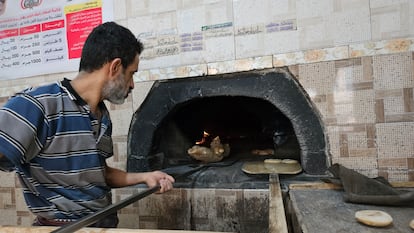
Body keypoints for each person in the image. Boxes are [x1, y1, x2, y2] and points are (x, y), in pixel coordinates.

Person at [0, 21, 174, 228]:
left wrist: (145, 177)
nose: (132, 84)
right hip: (61, 227)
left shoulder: (101, 115)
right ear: (115, 67)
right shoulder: (38, 105)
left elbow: (99, 174)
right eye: (132, 74)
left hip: (103, 224)